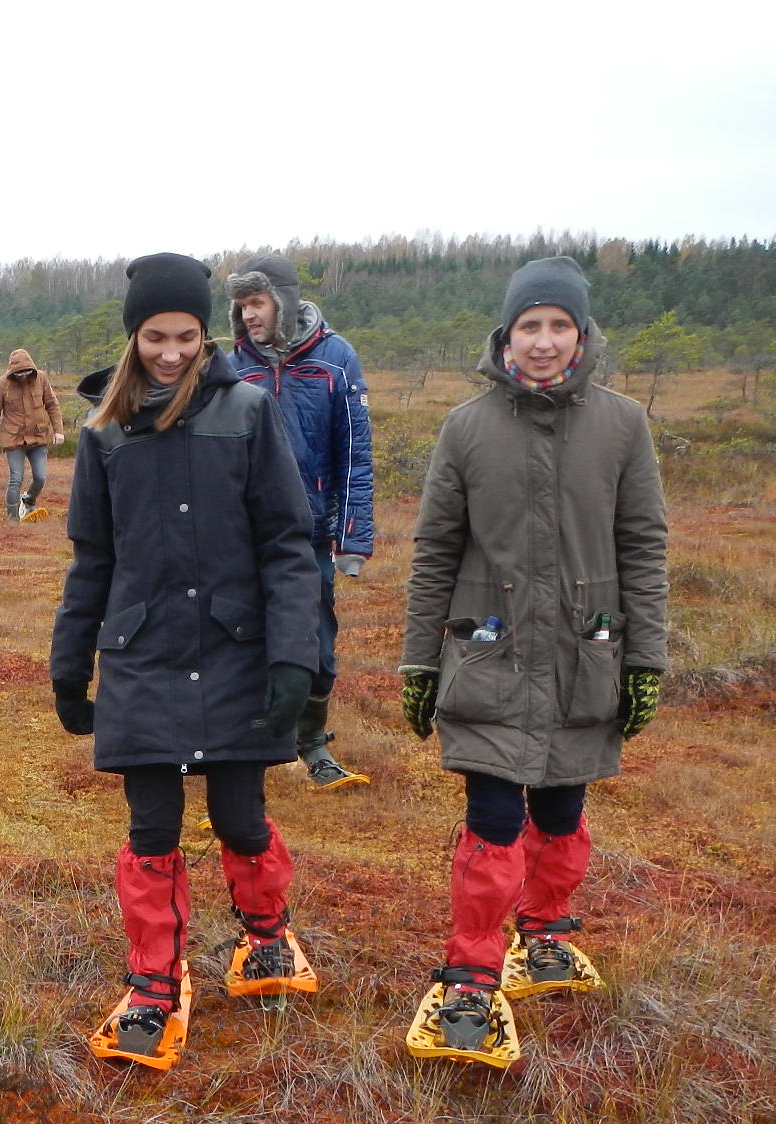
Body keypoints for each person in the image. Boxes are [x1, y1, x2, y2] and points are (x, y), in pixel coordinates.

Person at [50, 253, 323, 1070]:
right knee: (151, 830)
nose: (171, 352)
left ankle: (266, 937)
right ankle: (154, 982)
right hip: (143, 655)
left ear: (208, 336)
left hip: (236, 654)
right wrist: (71, 662)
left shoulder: (247, 411)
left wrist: (292, 659)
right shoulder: (104, 431)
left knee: (241, 817)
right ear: (134, 337)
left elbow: (286, 543)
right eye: (155, 336)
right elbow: (90, 556)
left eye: (187, 336)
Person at [398, 255, 669, 1064]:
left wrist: (645, 658)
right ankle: (472, 975)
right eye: (529, 326)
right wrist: (419, 664)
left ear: (582, 335)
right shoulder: (467, 427)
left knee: (558, 813)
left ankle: (544, 931)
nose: (544, 342)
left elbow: (643, 545)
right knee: (493, 817)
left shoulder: (623, 425)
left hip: (586, 656)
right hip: (487, 653)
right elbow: (434, 551)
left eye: (560, 326)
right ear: (506, 336)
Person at [225, 252, 375, 790]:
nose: (249, 316)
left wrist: (352, 537)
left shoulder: (336, 359)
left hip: (309, 535)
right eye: (241, 306)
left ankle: (311, 744)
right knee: (240, 638)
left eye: (258, 303)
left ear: (283, 301)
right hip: (241, 535)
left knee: (316, 644)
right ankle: (249, 745)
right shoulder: (231, 365)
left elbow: (355, 453)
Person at [0, 348, 66, 520]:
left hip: (38, 438)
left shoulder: (41, 378)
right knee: (16, 479)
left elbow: (52, 405)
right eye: (19, 373)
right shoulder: (1, 384)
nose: (23, 376)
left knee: (40, 478)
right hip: (13, 440)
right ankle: (13, 520)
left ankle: (29, 501)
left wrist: (58, 430)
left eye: (26, 372)